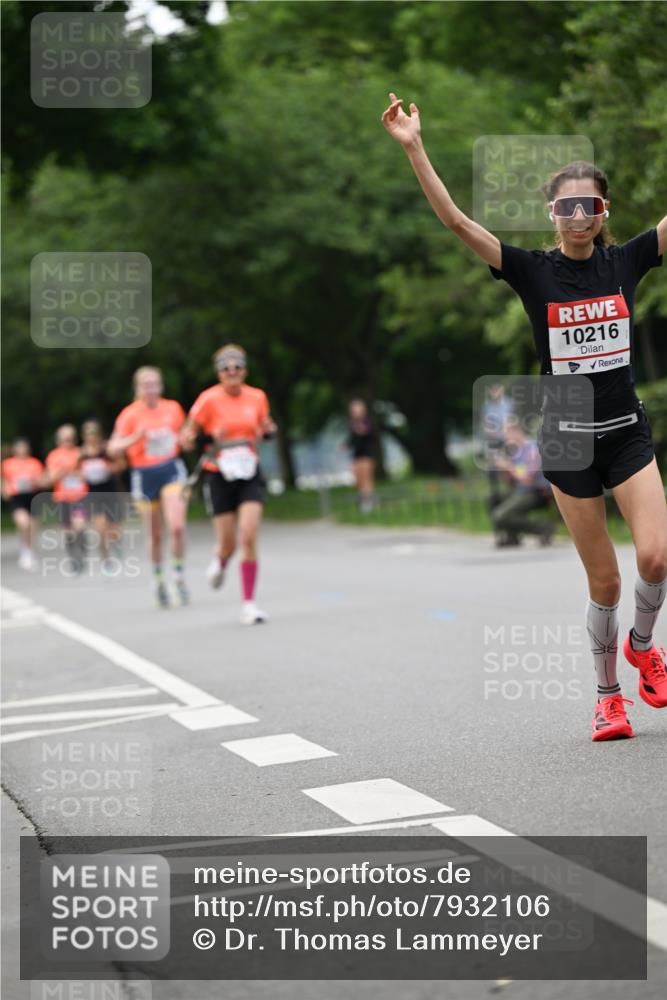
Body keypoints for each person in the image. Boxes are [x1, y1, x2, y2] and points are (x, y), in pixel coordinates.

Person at [382, 92, 667, 741]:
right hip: (567, 442)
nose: (577, 214)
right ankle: (606, 699)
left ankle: (644, 646)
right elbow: (457, 223)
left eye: (588, 204)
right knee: (604, 578)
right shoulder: (531, 272)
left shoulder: (626, 261)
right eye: (565, 204)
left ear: (603, 212)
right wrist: (413, 147)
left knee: (654, 557)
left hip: (624, 431)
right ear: (551, 213)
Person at [181, 344, 276, 625]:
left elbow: (264, 428)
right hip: (218, 474)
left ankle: (249, 604)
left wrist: (269, 431)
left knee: (248, 535)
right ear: (219, 373)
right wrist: (208, 436)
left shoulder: (257, 397)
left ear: (244, 371)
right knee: (229, 544)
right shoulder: (208, 400)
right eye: (225, 368)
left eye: (237, 367)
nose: (231, 372)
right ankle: (221, 560)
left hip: (248, 471)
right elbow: (186, 438)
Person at [108, 366, 188, 608]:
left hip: (171, 470)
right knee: (154, 534)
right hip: (144, 475)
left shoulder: (173, 408)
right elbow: (113, 447)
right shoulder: (130, 414)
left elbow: (185, 435)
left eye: (155, 384)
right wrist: (135, 437)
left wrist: (185, 439)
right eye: (146, 385)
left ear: (161, 386)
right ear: (138, 388)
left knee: (176, 526)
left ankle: (178, 576)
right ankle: (158, 578)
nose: (151, 389)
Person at [491, 420, 553, 547]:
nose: (506, 439)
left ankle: (543, 528)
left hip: (536, 492)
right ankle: (512, 535)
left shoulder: (533, 449)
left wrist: (508, 466)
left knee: (500, 515)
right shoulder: (516, 452)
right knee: (493, 499)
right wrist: (503, 469)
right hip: (521, 490)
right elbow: (512, 480)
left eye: (507, 435)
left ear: (516, 432)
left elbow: (527, 478)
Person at [80, 420, 124, 575]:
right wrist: (81, 474)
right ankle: (106, 560)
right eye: (88, 434)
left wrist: (109, 468)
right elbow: (74, 472)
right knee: (100, 528)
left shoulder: (107, 450)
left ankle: (116, 543)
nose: (91, 437)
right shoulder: (81, 453)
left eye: (94, 433)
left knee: (114, 529)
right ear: (84, 436)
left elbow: (121, 465)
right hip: (93, 493)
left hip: (110, 491)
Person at [45, 424, 89, 573]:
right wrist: (62, 471)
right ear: (58, 440)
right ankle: (73, 558)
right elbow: (50, 478)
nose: (68, 442)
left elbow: (87, 474)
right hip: (62, 498)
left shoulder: (80, 453)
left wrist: (76, 472)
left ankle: (82, 550)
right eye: (65, 439)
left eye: (70, 439)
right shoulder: (54, 456)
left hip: (79, 497)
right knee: (68, 531)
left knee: (80, 525)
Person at [1, 438, 45, 570]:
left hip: (31, 497)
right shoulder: (7, 464)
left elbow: (42, 480)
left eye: (24, 447)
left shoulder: (34, 463)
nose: (22, 450)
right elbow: (3, 480)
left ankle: (30, 550)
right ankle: (25, 552)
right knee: (23, 523)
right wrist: (4, 490)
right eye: (19, 448)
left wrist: (35, 481)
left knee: (33, 526)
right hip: (17, 498)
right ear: (15, 450)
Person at [481, 382, 513, 511]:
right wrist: (491, 431)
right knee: (493, 467)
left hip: (506, 439)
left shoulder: (509, 404)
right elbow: (485, 424)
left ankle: (512, 490)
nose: (495, 393)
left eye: (497, 390)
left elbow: (512, 420)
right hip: (494, 439)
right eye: (493, 390)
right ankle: (496, 494)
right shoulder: (487, 407)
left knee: (510, 466)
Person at [345, 399, 377, 513]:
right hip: (356, 455)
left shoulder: (367, 421)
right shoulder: (351, 424)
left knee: (366, 478)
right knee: (358, 480)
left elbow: (365, 432)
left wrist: (359, 429)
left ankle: (368, 502)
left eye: (357, 409)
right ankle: (364, 499)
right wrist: (345, 445)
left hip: (367, 454)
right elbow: (352, 439)